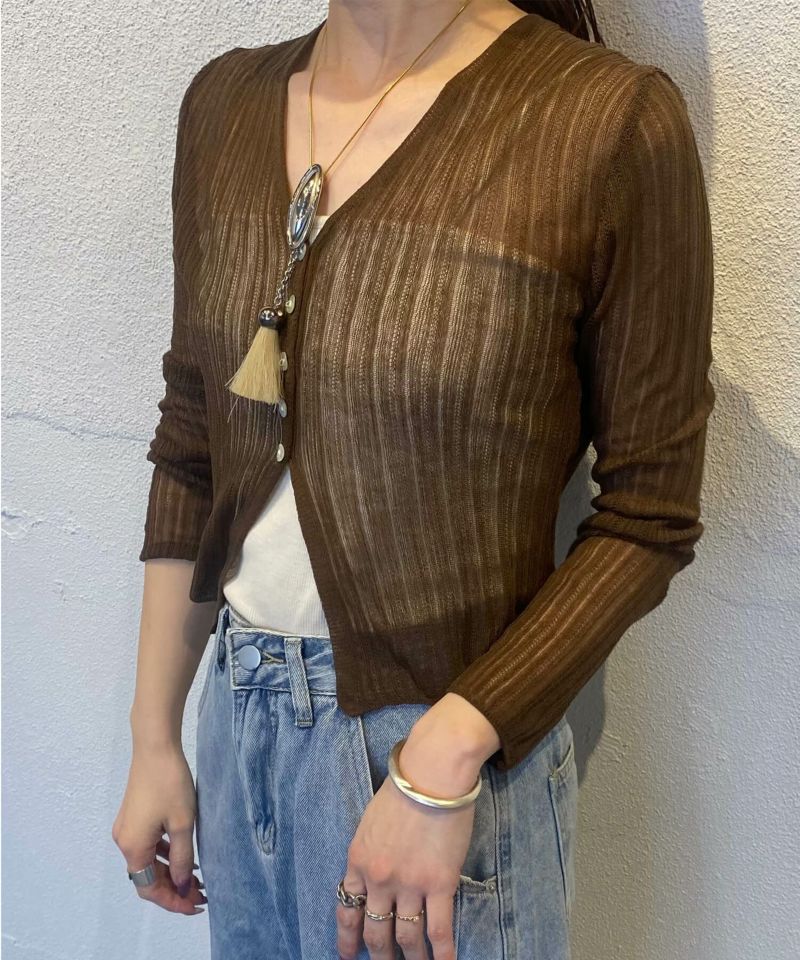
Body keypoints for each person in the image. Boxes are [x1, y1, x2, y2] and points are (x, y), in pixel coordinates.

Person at [112, 1, 715, 958]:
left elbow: (650, 513)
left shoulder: (603, 120)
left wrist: (444, 752)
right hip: (236, 732)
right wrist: (155, 733)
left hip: (443, 768)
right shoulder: (225, 103)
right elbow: (194, 437)